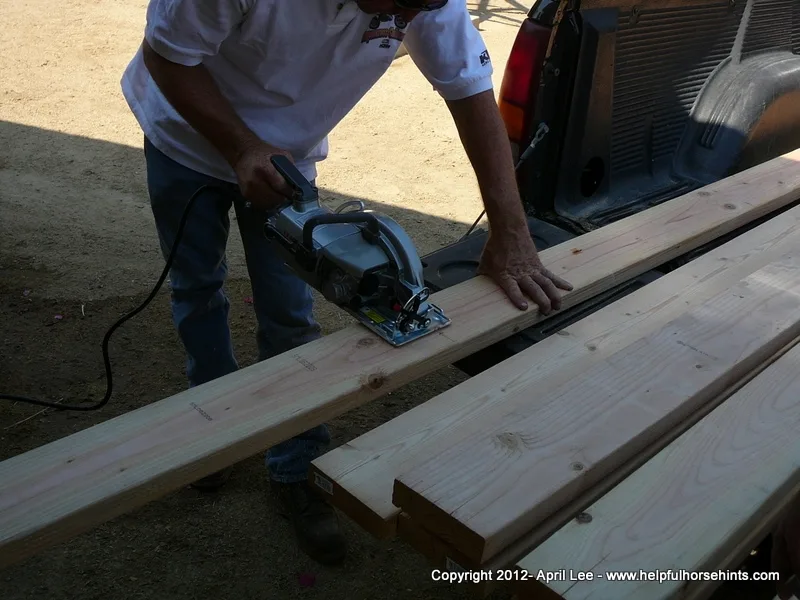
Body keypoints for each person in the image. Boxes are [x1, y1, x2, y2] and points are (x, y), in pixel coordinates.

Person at [121, 0, 573, 567]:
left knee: (289, 314)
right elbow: (168, 57)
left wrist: (511, 230)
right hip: (184, 141)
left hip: (287, 161)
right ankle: (213, 436)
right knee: (196, 287)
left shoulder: (426, 3)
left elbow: (470, 91)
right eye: (397, 5)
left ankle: (295, 468)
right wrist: (240, 148)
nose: (406, 17)